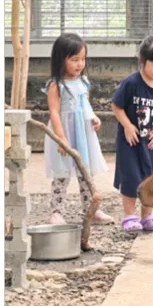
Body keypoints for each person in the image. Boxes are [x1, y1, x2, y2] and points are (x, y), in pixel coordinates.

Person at [43, 32, 115, 226]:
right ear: (61, 59)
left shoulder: (83, 82)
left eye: (82, 59)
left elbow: (85, 105)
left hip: (83, 133)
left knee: (86, 174)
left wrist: (93, 118)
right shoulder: (56, 85)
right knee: (61, 174)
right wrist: (61, 138)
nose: (80, 64)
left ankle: (92, 210)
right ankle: (56, 213)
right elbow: (55, 113)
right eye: (74, 59)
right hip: (64, 132)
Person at [111, 32, 153, 233]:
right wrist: (127, 125)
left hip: (151, 143)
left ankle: (147, 215)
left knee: (151, 177)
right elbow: (117, 106)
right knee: (131, 177)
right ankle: (130, 216)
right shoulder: (131, 83)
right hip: (130, 142)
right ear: (143, 61)